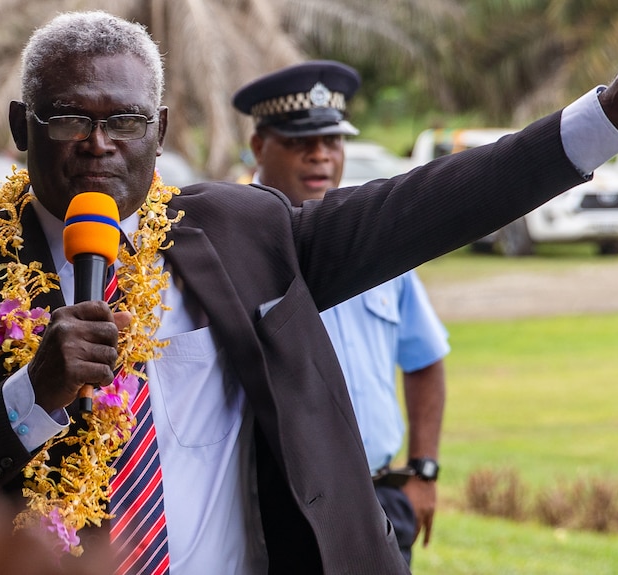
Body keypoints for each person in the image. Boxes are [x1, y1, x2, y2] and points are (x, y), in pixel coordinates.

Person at [0, 2, 618, 574]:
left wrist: (607, 114)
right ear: (22, 127)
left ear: (159, 133)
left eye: (124, 121)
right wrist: (30, 396)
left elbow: (434, 202)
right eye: (68, 118)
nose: (98, 144)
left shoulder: (245, 230)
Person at [232, 60, 449, 565]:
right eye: (299, 142)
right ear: (259, 145)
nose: (320, 155)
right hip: (280, 510)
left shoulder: (376, 245)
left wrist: (424, 471)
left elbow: (424, 358)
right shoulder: (230, 247)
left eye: (332, 141)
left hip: (381, 501)